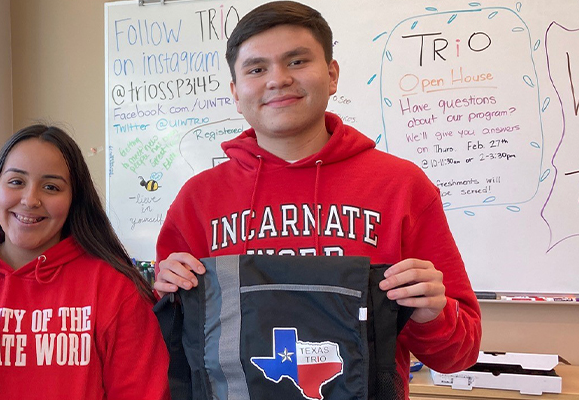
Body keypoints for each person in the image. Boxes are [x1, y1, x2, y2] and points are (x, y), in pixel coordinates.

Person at [153, 1, 481, 396]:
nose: (277, 80)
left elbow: (458, 356)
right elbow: (172, 346)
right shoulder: (198, 199)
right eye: (257, 69)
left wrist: (432, 313)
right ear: (236, 93)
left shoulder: (402, 187)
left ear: (332, 74)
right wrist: (167, 294)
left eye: (296, 61)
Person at [0, 125, 170, 400]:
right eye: (16, 182)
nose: (30, 200)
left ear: (74, 199)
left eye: (51, 187)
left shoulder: (114, 288)